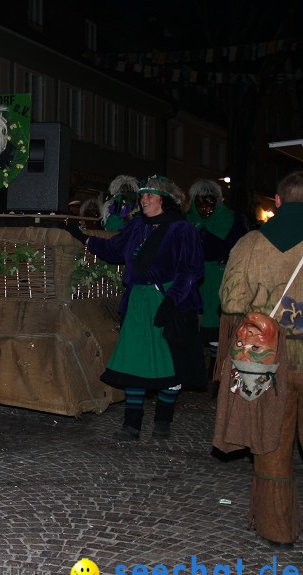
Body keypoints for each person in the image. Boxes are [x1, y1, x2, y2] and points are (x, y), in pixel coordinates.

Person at [65, 175, 205, 440]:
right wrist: (83, 238)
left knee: (171, 366)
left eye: (150, 195)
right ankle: (131, 425)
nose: (143, 199)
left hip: (169, 302)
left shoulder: (181, 229)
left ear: (164, 200)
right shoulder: (137, 226)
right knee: (134, 363)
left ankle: (163, 421)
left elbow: (191, 271)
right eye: (142, 195)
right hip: (138, 302)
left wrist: (171, 301)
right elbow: (114, 250)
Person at [214, 170, 303, 551]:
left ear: (278, 202)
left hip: (271, 361)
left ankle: (278, 528)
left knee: (272, 444)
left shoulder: (252, 242)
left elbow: (231, 301)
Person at [186, 179, 247, 378]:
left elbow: (242, 248)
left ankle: (216, 369)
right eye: (200, 202)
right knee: (194, 325)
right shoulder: (188, 222)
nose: (205, 208)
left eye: (209, 202)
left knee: (218, 325)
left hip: (221, 279)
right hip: (195, 280)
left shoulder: (232, 220)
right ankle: (196, 371)